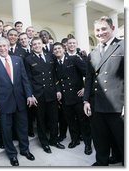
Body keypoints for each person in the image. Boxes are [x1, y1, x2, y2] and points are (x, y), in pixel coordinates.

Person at [0, 37, 37, 166]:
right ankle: (12, 154)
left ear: (8, 46)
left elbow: (25, 79)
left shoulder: (18, 60)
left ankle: (25, 150)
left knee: (23, 127)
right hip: (3, 102)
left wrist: (29, 95)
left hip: (20, 100)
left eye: (4, 46)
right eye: (0, 47)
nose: (2, 48)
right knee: (6, 130)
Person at [83, 16, 124, 166]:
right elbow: (89, 78)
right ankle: (102, 162)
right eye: (97, 30)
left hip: (117, 104)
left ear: (112, 28)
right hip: (96, 104)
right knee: (100, 137)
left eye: (104, 29)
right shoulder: (92, 53)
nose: (100, 33)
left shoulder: (123, 46)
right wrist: (86, 100)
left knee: (121, 138)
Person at [24, 37, 65, 154]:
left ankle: (54, 140)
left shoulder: (50, 56)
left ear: (42, 44)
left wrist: (58, 90)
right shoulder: (28, 59)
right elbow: (28, 79)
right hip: (38, 94)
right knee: (41, 120)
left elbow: (55, 75)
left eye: (39, 43)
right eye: (34, 44)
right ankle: (44, 143)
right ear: (32, 46)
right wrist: (31, 94)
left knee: (54, 119)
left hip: (51, 92)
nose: (37, 46)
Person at [53, 42, 92, 155]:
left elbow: (88, 73)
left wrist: (85, 88)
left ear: (64, 49)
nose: (57, 50)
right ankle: (75, 140)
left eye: (59, 48)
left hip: (78, 96)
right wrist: (58, 90)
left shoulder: (74, 59)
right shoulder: (55, 64)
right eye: (55, 49)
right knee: (70, 121)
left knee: (83, 121)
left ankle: (88, 143)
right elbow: (56, 80)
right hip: (65, 98)